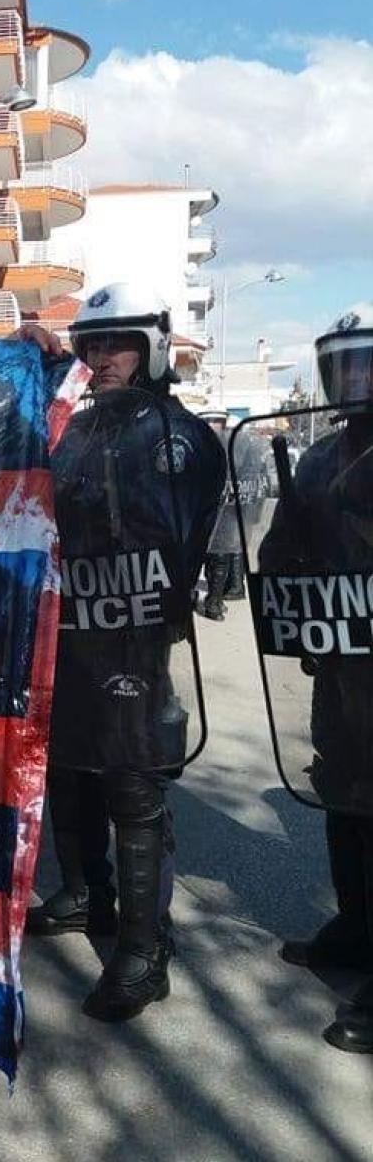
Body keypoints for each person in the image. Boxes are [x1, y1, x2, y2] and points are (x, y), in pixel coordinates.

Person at [22, 284, 226, 1020]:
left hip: (133, 638)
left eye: (121, 344)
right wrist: (34, 370)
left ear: (154, 349)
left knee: (132, 783)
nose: (104, 357)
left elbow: (182, 534)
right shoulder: (69, 427)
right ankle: (85, 892)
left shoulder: (179, 435)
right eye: (93, 344)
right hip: (68, 629)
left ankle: (144, 948)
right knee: (66, 768)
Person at [259, 305, 373, 1054]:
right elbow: (280, 552)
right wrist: (290, 577)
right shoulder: (318, 458)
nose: (355, 378)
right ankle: (357, 925)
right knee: (342, 788)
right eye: (345, 365)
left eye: (368, 363)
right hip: (340, 664)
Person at [195, 410, 268, 620]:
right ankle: (216, 601)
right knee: (222, 553)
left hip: (221, 507)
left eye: (215, 421)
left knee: (216, 554)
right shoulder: (243, 444)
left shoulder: (217, 444)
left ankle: (213, 602)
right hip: (233, 506)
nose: (213, 425)